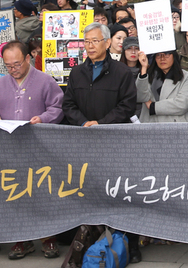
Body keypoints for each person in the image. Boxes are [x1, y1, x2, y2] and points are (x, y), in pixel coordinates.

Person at [61, 22, 142, 262]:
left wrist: (102, 124)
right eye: (86, 42)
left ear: (107, 43)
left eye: (95, 41)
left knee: (124, 194)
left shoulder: (121, 73)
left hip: (116, 143)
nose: (90, 46)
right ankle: (92, 243)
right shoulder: (77, 72)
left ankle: (131, 244)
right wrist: (84, 122)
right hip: (87, 143)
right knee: (92, 193)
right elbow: (68, 105)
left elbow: (127, 106)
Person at [0, 40, 64, 260]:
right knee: (15, 193)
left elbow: (58, 107)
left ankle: (48, 237)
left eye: (17, 64)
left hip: (39, 148)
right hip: (10, 148)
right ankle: (21, 239)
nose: (13, 69)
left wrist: (43, 118)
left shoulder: (45, 81)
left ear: (28, 58)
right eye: (8, 66)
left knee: (43, 191)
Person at [135, 49, 188, 123]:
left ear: (174, 56)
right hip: (150, 125)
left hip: (175, 126)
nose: (162, 58)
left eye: (166, 54)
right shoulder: (149, 75)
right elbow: (140, 97)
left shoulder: (185, 76)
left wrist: (153, 107)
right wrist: (144, 68)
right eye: (158, 55)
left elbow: (183, 104)